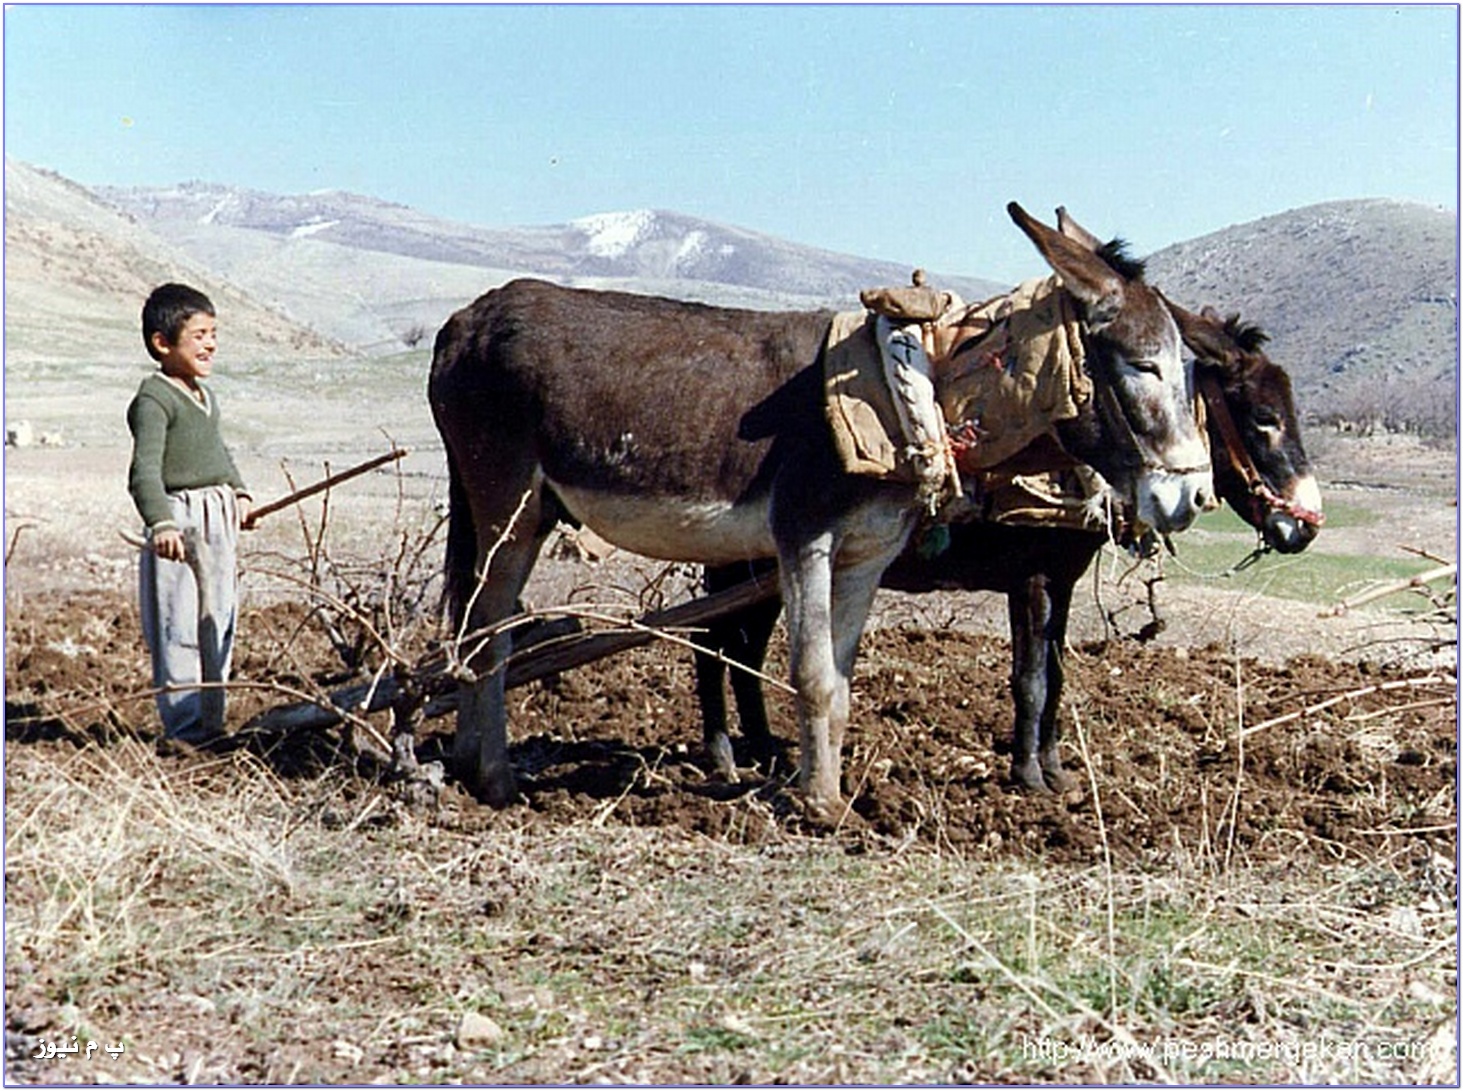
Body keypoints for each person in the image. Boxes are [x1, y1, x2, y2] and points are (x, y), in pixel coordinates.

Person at [126, 283, 253, 744]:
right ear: (163, 343)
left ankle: (213, 721)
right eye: (199, 334)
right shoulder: (154, 399)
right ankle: (185, 728)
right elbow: (143, 473)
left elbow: (217, 453)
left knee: (219, 615)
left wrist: (238, 493)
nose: (211, 343)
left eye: (214, 333)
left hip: (218, 514)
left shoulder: (205, 396)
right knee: (178, 622)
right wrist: (162, 523)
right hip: (179, 521)